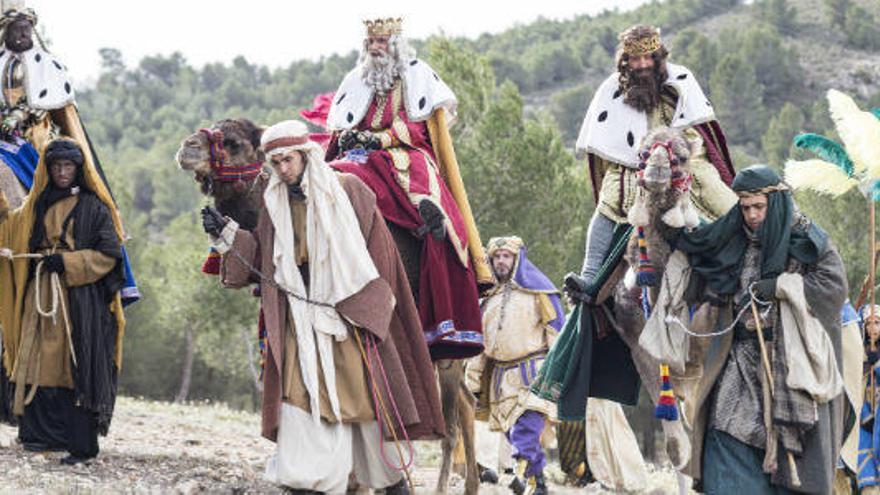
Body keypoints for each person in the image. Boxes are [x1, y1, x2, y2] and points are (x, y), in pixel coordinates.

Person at [203, 120, 444, 494]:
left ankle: (390, 483)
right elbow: (265, 259)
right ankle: (309, 483)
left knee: (364, 408)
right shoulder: (274, 203)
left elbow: (381, 257)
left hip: (348, 320)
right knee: (302, 402)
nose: (283, 169)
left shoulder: (348, 191)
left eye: (289, 160)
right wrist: (227, 235)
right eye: (276, 162)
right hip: (300, 325)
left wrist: (370, 311)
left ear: (305, 155)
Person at [676, 165, 847, 493]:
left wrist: (783, 286)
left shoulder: (808, 239)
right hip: (739, 361)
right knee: (724, 433)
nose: (752, 215)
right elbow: (702, 267)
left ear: (775, 203)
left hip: (792, 367)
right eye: (745, 208)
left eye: (759, 207)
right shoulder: (732, 239)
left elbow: (833, 287)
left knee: (795, 455)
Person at [326, 17, 486, 360]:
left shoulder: (415, 75)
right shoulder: (356, 80)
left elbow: (418, 127)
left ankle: (432, 237)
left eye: (382, 42)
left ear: (395, 44)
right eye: (371, 41)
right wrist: (350, 136)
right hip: (357, 157)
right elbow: (347, 120)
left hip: (401, 155)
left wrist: (378, 138)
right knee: (324, 178)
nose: (375, 47)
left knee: (427, 200)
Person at [566, 24, 737, 300]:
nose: (643, 64)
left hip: (683, 159)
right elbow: (608, 146)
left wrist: (673, 150)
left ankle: (751, 263)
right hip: (633, 166)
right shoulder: (611, 90)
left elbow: (698, 132)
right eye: (636, 59)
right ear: (626, 61)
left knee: (722, 198)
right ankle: (589, 278)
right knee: (609, 200)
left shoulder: (681, 81)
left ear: (659, 58)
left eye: (649, 58)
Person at [0, 2, 139, 304]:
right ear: (6, 31)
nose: (24, 34)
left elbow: (61, 114)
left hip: (34, 139)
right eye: (17, 29)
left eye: (27, 28)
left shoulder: (47, 66)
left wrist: (24, 118)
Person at [0, 138, 126, 464]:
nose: (62, 172)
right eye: (56, 166)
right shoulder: (34, 207)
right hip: (38, 296)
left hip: (76, 300)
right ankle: (37, 436)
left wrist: (68, 264)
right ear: (47, 168)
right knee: (36, 360)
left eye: (68, 166)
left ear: (79, 169)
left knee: (74, 365)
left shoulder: (94, 208)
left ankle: (78, 443)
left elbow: (109, 256)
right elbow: (9, 228)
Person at [465, 236, 563, 494]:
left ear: (517, 258)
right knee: (511, 431)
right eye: (496, 257)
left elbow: (557, 333)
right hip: (500, 378)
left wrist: (559, 372)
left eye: (506, 256)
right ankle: (538, 482)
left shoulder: (539, 292)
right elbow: (480, 347)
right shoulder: (488, 300)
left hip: (535, 372)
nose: (501, 261)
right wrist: (472, 381)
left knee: (527, 427)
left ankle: (519, 476)